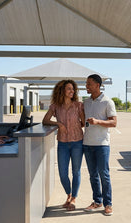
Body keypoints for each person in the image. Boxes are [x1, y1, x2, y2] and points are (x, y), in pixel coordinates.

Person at [42, 80, 85, 211]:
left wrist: (78, 122)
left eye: (73, 89)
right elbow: (45, 120)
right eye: (69, 89)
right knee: (62, 173)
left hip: (78, 142)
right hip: (62, 143)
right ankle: (69, 193)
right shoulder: (55, 106)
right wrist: (58, 124)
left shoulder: (78, 105)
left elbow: (83, 122)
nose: (72, 91)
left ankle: (73, 199)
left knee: (76, 172)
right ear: (62, 91)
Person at [83, 74, 117, 216]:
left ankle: (108, 204)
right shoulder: (85, 102)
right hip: (87, 143)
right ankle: (97, 201)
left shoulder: (107, 102)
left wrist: (97, 122)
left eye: (89, 84)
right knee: (93, 175)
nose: (86, 86)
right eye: (86, 84)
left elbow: (114, 122)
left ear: (97, 85)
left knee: (104, 174)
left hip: (102, 144)